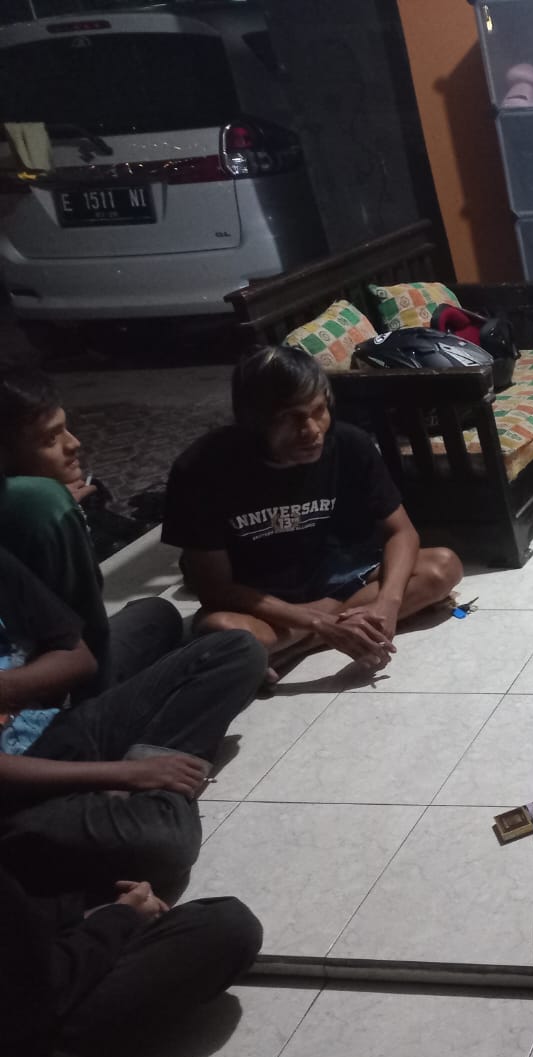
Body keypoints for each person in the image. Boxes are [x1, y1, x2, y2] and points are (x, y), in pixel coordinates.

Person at [162, 346, 463, 678]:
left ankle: (294, 648)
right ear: (254, 421)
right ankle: (324, 631)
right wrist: (318, 620)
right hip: (265, 599)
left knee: (442, 567)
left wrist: (387, 605)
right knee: (222, 629)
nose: (311, 430)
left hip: (344, 578)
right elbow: (214, 587)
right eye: (289, 418)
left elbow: (401, 531)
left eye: (318, 411)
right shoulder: (201, 468)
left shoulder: (350, 444)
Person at [0, 545, 266, 898]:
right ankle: (154, 782)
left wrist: (10, 687)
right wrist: (126, 774)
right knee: (166, 844)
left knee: (233, 647)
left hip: (55, 726)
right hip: (15, 798)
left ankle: (151, 773)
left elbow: (77, 658)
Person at [0, 864, 261, 1057]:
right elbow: (43, 988)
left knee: (143, 859)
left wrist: (81, 912)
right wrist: (119, 918)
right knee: (226, 926)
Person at [0, 369, 183, 696]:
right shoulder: (43, 505)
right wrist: (60, 512)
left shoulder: (32, 501)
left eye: (66, 428)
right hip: (58, 685)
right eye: (50, 439)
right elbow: (91, 632)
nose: (74, 443)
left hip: (51, 664)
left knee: (157, 613)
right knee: (233, 652)